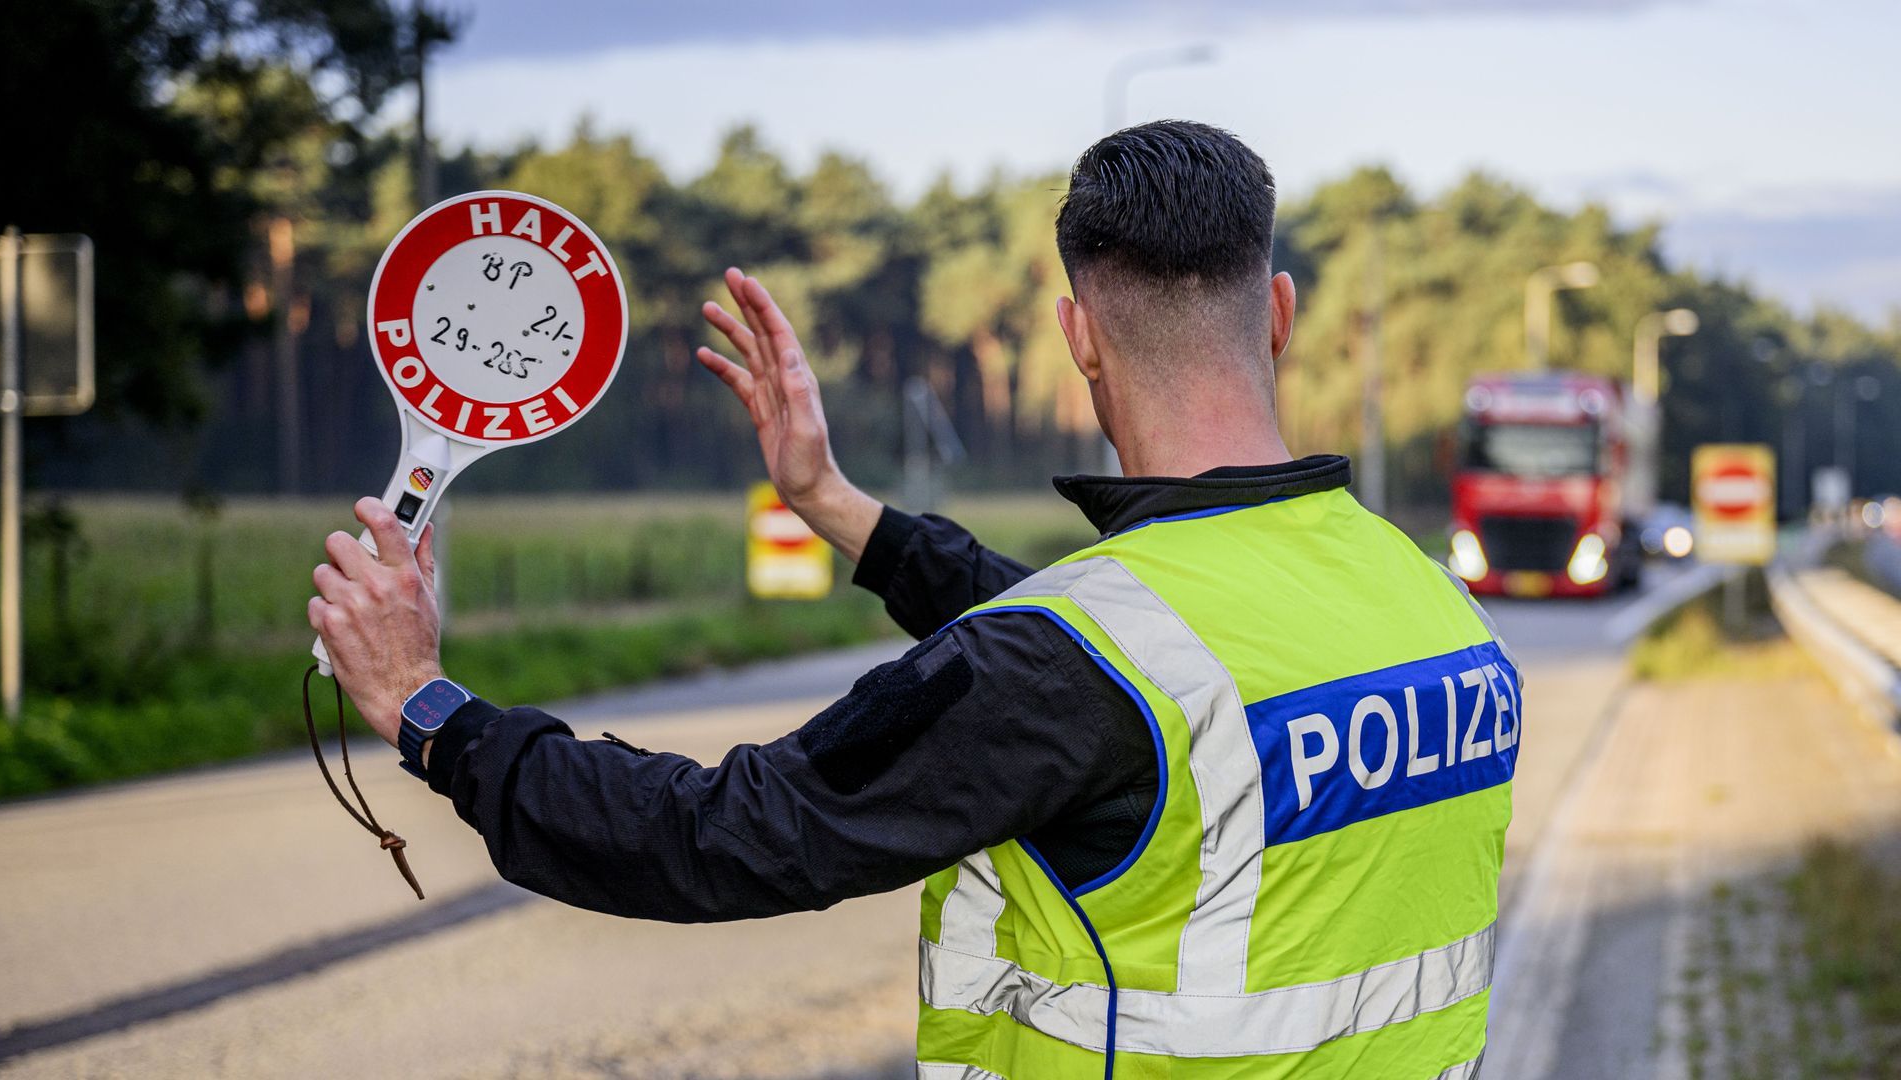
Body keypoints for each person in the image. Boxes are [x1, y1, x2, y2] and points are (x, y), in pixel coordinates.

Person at [311, 120, 1519, 1078]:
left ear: (1078, 338)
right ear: (1280, 313)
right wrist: (838, 506)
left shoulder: (1076, 670)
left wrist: (429, 711)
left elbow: (715, 837)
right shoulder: (1423, 600)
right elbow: (1133, 664)